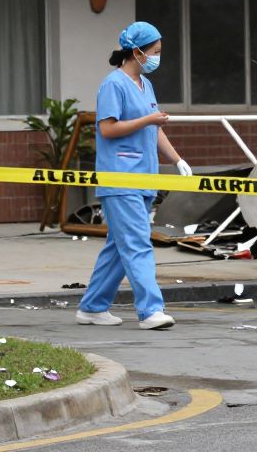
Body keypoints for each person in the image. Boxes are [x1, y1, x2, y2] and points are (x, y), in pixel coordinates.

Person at [76, 22, 191, 331]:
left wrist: (177, 159)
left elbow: (155, 128)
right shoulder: (113, 84)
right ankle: (151, 310)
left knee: (119, 247)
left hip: (144, 179)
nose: (157, 57)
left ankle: (92, 307)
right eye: (155, 51)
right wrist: (147, 120)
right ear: (136, 52)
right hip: (121, 179)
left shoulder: (145, 85)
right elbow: (107, 129)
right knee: (138, 243)